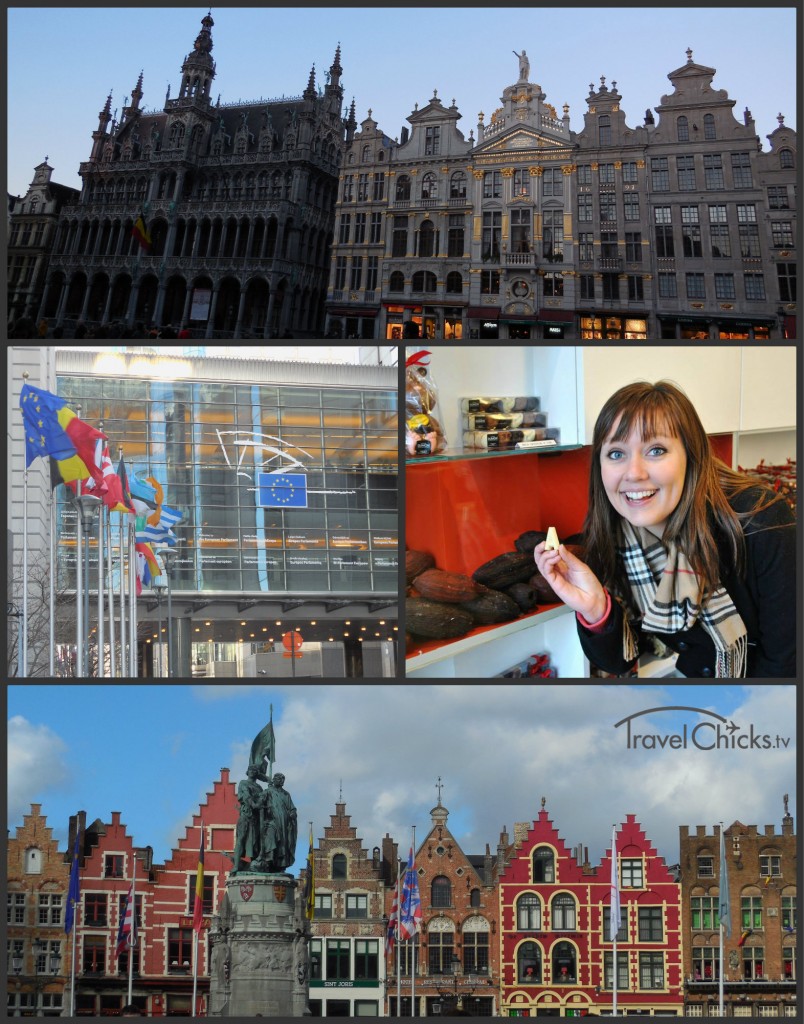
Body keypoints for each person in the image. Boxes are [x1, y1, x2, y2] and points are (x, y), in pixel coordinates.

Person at [534, 380, 795, 678]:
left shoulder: (760, 518)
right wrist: (596, 609)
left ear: (692, 455)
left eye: (656, 450)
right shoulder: (618, 537)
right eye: (616, 454)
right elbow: (620, 661)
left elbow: (786, 659)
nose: (634, 473)